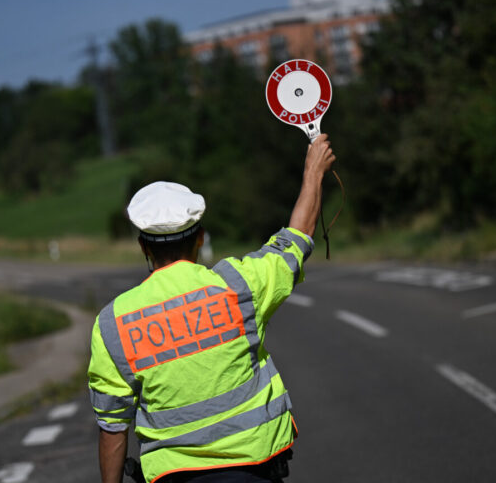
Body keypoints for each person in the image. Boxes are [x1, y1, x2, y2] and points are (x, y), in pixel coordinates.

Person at [88, 134, 336, 483]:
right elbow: (297, 238)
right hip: (255, 473)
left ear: (144, 247)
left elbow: (112, 429)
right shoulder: (239, 285)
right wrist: (314, 171)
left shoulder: (112, 324)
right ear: (201, 238)